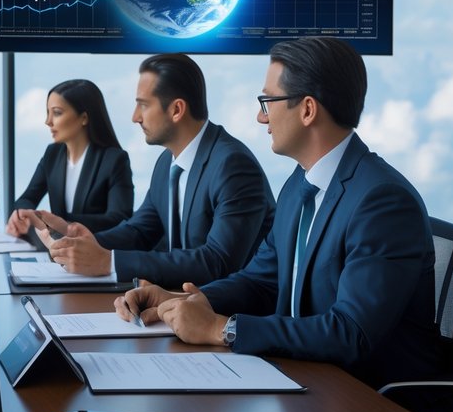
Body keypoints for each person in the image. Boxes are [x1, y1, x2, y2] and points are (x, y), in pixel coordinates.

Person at [118, 37, 440, 389]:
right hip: (306, 381)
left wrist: (221, 329)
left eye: (267, 101)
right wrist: (184, 301)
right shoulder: (300, 183)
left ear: (307, 110)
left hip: (374, 406)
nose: (260, 116)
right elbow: (261, 279)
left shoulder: (383, 201)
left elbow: (351, 333)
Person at [30, 53, 273, 287]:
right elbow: (139, 231)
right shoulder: (166, 163)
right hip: (179, 302)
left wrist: (108, 261)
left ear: (177, 110)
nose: (135, 117)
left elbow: (217, 262)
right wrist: (85, 243)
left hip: (228, 316)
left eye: (143, 106)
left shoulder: (233, 166)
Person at [6, 79, 133, 248]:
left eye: (57, 113)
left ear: (84, 118)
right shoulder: (52, 154)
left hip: (96, 252)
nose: (48, 121)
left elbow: (119, 218)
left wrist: (63, 223)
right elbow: (27, 198)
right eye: (47, 113)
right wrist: (21, 214)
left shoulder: (114, 160)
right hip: (56, 252)